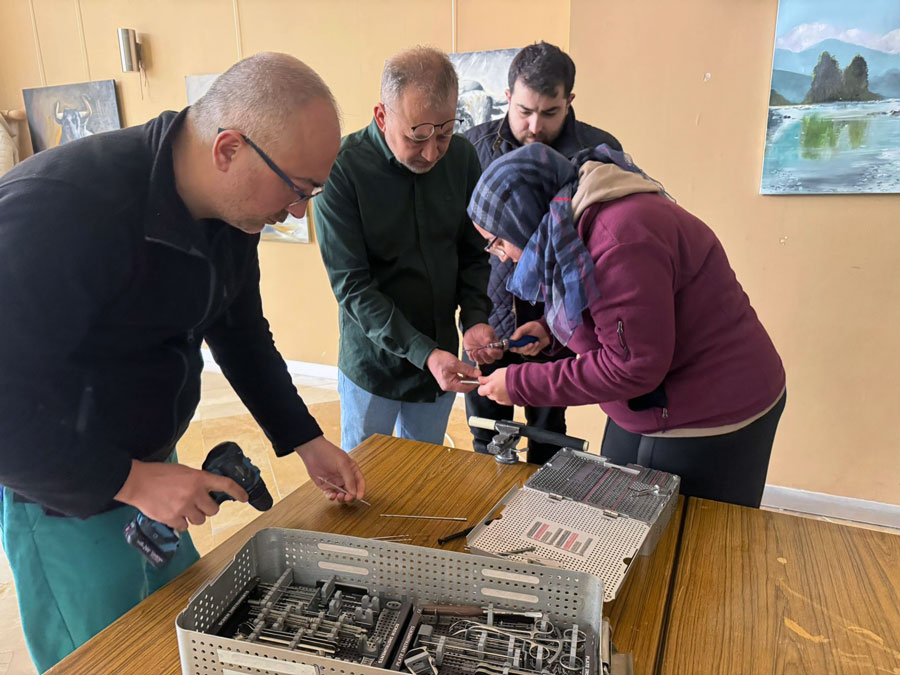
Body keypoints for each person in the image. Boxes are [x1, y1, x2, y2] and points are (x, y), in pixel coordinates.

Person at [0, 53, 365, 672]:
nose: (299, 210)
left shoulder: (233, 212)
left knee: (176, 642)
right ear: (229, 149)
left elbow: (240, 332)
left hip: (153, 468)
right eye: (297, 188)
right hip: (66, 491)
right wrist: (133, 481)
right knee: (106, 661)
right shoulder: (56, 212)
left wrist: (303, 437)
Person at [470, 143, 786, 508]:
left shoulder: (620, 238)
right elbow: (613, 305)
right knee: (619, 512)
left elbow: (631, 366)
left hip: (711, 411)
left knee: (685, 531)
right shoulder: (575, 217)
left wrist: (519, 384)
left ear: (523, 219)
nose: (503, 258)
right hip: (658, 396)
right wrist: (548, 330)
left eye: (498, 243)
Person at [314, 46, 499, 452]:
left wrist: (475, 318)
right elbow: (352, 287)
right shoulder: (341, 169)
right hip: (373, 366)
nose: (432, 152)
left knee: (423, 471)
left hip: (440, 365)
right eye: (417, 136)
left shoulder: (463, 158)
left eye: (445, 133)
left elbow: (473, 253)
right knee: (366, 476)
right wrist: (424, 352)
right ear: (382, 116)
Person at [462, 41, 622, 464]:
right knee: (484, 435)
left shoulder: (598, 153)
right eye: (524, 111)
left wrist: (557, 327)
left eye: (550, 113)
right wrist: (472, 318)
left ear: (570, 101)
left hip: (562, 321)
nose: (534, 126)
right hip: (487, 316)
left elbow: (605, 251)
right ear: (507, 96)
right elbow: (460, 244)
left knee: (549, 436)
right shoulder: (470, 149)